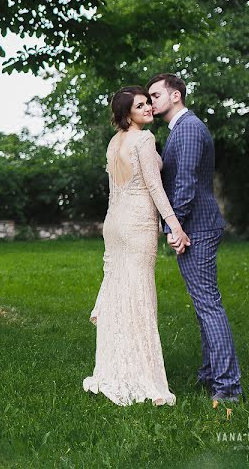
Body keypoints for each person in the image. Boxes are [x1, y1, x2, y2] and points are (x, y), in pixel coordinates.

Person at [83, 86, 189, 406]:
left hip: (113, 224)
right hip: (137, 224)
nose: (148, 109)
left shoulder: (115, 142)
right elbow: (155, 189)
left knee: (119, 297)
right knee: (140, 299)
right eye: (140, 106)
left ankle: (114, 368)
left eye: (148, 103)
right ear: (127, 113)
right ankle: (140, 377)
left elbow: (118, 187)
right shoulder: (144, 139)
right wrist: (175, 225)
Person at [146, 73, 243, 405]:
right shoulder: (181, 130)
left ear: (176, 96)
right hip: (197, 225)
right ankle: (209, 373)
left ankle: (228, 388)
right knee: (206, 304)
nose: (150, 101)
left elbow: (185, 184)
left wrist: (175, 228)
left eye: (156, 95)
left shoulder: (187, 129)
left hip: (197, 227)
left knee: (208, 305)